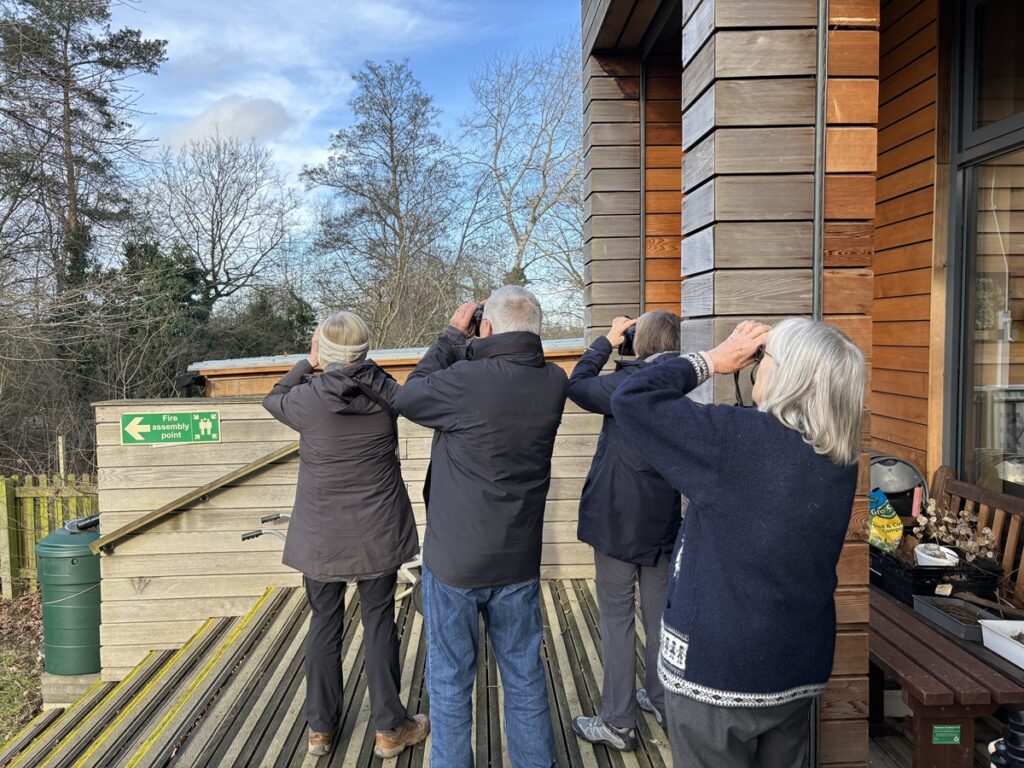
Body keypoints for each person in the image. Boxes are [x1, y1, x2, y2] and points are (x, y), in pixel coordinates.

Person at [610, 318, 865, 768]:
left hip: (718, 674)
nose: (757, 365)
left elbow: (632, 398)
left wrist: (712, 359)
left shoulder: (735, 443)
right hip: (795, 667)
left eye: (766, 358)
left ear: (789, 375)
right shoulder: (839, 458)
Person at [395, 286, 568, 768]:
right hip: (518, 558)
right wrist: (476, 344)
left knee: (450, 681)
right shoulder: (554, 380)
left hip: (455, 562)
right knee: (524, 674)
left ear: (485, 327)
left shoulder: (466, 380)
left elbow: (409, 396)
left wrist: (453, 336)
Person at [262, 311, 429, 759]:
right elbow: (401, 393)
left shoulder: (306, 401)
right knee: (378, 623)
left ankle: (321, 730)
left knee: (324, 623)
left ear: (324, 354)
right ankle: (391, 730)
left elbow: (273, 397)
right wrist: (363, 365)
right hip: (376, 533)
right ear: (364, 352)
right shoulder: (385, 398)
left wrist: (307, 362)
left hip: (321, 537)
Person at [568, 312, 683, 751]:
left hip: (617, 522)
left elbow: (576, 384)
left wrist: (607, 341)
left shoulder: (625, 386)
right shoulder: (682, 383)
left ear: (640, 343)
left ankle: (618, 722)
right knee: (659, 618)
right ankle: (661, 700)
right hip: (663, 521)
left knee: (617, 619)